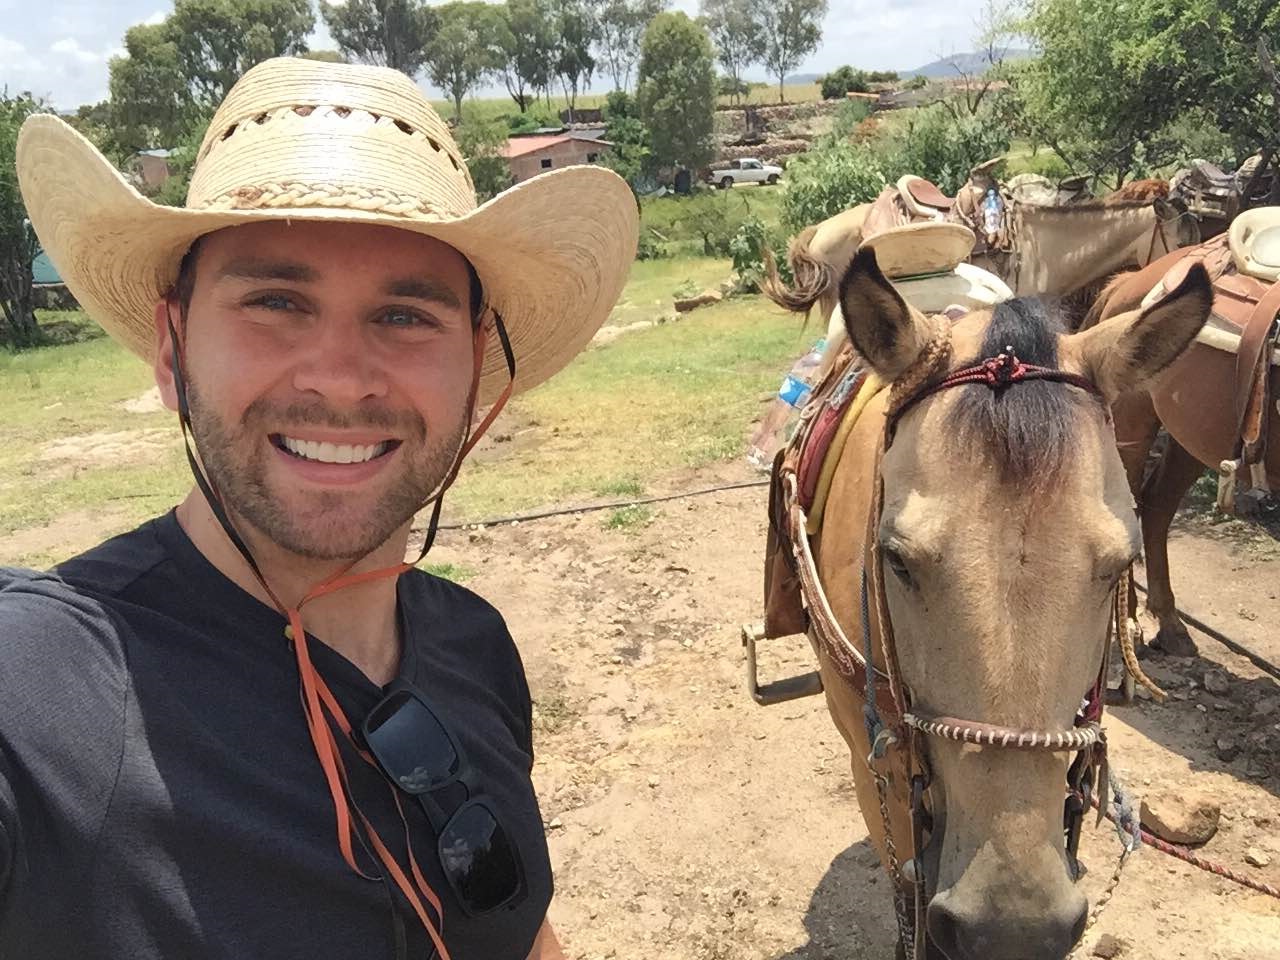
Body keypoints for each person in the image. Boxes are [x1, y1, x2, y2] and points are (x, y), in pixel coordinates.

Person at [0, 57, 636, 960]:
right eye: (275, 301)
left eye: (406, 316)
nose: (340, 379)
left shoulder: (474, 647)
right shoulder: (42, 699)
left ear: (476, 376)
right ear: (173, 350)